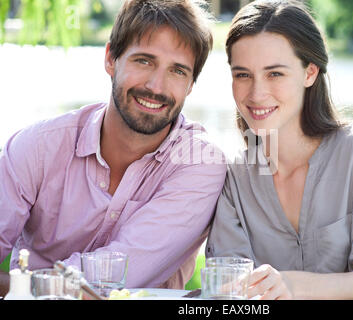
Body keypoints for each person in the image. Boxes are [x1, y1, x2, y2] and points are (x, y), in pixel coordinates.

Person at [0, 0, 226, 297]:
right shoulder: (38, 146)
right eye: (144, 61)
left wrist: (19, 287)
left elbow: (120, 275)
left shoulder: (200, 165)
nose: (156, 86)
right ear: (111, 59)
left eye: (178, 71)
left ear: (191, 85)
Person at [206, 0, 353, 300]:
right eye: (242, 74)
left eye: (275, 74)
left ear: (309, 73)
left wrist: (293, 285)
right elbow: (227, 290)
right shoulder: (234, 178)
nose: (257, 93)